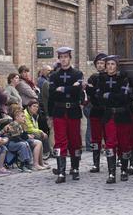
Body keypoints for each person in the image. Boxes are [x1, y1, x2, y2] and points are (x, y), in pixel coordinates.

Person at [48, 47, 83, 183]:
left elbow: (77, 91)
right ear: (59, 59)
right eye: (61, 57)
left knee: (75, 140)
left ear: (70, 58)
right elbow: (52, 93)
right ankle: (61, 171)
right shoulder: (54, 75)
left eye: (66, 57)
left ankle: (75, 168)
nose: (63, 59)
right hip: (59, 111)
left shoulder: (77, 74)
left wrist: (61, 88)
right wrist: (69, 88)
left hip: (73, 111)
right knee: (60, 141)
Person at [97, 55, 132, 184]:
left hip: (122, 115)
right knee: (110, 143)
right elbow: (100, 97)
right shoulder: (102, 79)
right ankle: (111, 173)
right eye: (108, 64)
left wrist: (110, 95)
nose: (110, 67)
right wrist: (114, 96)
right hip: (109, 115)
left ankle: (124, 169)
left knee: (124, 143)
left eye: (113, 64)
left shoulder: (123, 79)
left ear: (117, 66)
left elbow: (124, 97)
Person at [86, 52, 107, 173]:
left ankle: (114, 160)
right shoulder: (93, 77)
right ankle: (96, 163)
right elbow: (91, 95)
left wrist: (94, 91)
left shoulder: (110, 77)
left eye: (102, 63)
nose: (100, 65)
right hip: (96, 110)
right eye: (98, 63)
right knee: (96, 138)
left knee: (110, 137)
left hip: (107, 111)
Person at [0, 109, 10, 174]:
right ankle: (0, 167)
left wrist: (1, 139)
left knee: (4, 146)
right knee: (3, 149)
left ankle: (1, 166)